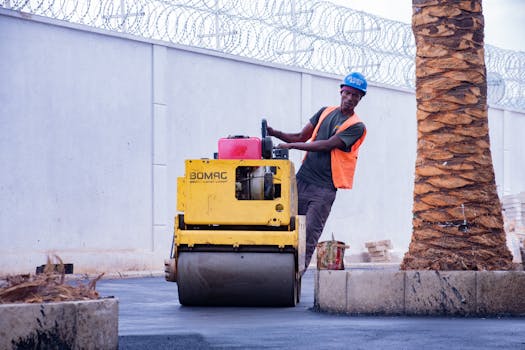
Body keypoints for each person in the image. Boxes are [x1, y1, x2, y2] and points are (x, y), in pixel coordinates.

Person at [267, 72, 368, 269]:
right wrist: (275, 133)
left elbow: (327, 144)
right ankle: (273, 275)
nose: (350, 98)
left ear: (360, 98)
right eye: (347, 93)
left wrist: (293, 148)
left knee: (307, 238)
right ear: (341, 91)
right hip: (301, 181)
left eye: (355, 95)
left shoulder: (357, 126)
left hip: (323, 189)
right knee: (284, 228)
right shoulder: (325, 112)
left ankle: (291, 283)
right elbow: (300, 136)